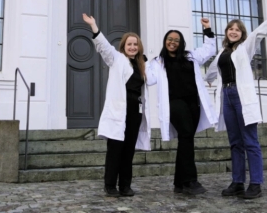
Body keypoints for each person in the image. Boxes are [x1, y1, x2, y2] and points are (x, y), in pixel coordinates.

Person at [204, 6, 267, 199]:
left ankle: (255, 184)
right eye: (230, 29)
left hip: (241, 96)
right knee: (235, 142)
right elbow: (210, 71)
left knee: (250, 142)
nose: (233, 31)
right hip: (226, 96)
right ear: (227, 32)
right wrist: (206, 80)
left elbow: (259, 33)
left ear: (241, 34)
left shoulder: (245, 48)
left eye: (237, 29)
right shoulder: (221, 53)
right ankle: (237, 182)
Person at [82, 13, 155, 197]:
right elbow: (104, 47)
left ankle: (125, 186)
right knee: (115, 149)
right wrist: (94, 26)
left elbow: (154, 80)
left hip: (135, 112)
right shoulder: (116, 59)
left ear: (139, 47)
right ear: (124, 46)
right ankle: (110, 186)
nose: (132, 47)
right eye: (129, 44)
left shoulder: (142, 65)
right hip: (119, 111)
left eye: (135, 44)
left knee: (129, 150)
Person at [147, 18, 218, 195]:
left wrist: (207, 29)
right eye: (169, 39)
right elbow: (149, 79)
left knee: (186, 139)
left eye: (176, 40)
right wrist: (140, 60)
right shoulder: (157, 62)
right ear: (165, 41)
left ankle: (179, 182)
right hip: (174, 104)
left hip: (193, 103)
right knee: (186, 134)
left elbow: (210, 50)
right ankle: (190, 181)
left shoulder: (190, 56)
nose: (172, 42)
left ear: (181, 43)